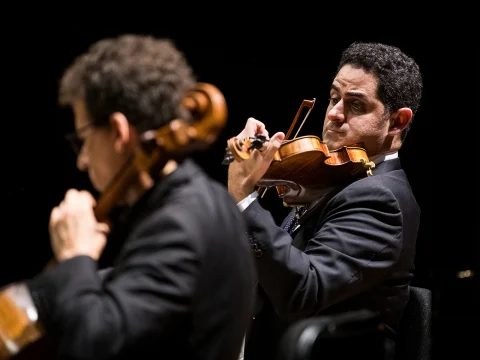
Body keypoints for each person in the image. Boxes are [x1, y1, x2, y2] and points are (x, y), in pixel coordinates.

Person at [12, 34, 256, 360]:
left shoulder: (177, 224)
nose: (81, 160)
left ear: (118, 131)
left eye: (81, 139)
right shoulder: (202, 200)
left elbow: (89, 346)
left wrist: (74, 256)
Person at [227, 41, 423, 359]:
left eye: (355, 105)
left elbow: (303, 292)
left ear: (398, 121)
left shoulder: (380, 196)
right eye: (334, 98)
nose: (333, 113)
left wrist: (245, 198)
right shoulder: (339, 182)